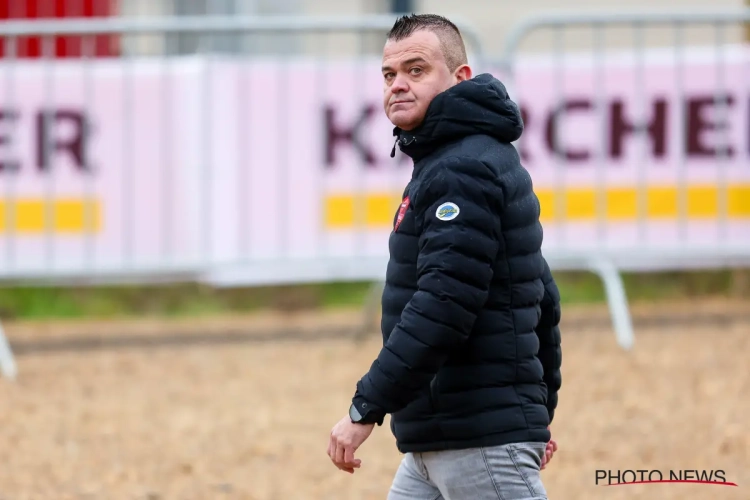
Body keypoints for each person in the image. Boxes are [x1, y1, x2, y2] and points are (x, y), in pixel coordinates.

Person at [326, 13, 562, 500]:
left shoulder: (462, 170)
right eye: (390, 75)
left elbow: (442, 306)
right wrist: (535, 416)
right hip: (444, 440)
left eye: (416, 70)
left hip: (477, 443)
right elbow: (542, 296)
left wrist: (365, 408)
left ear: (460, 79)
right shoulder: (455, 160)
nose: (398, 85)